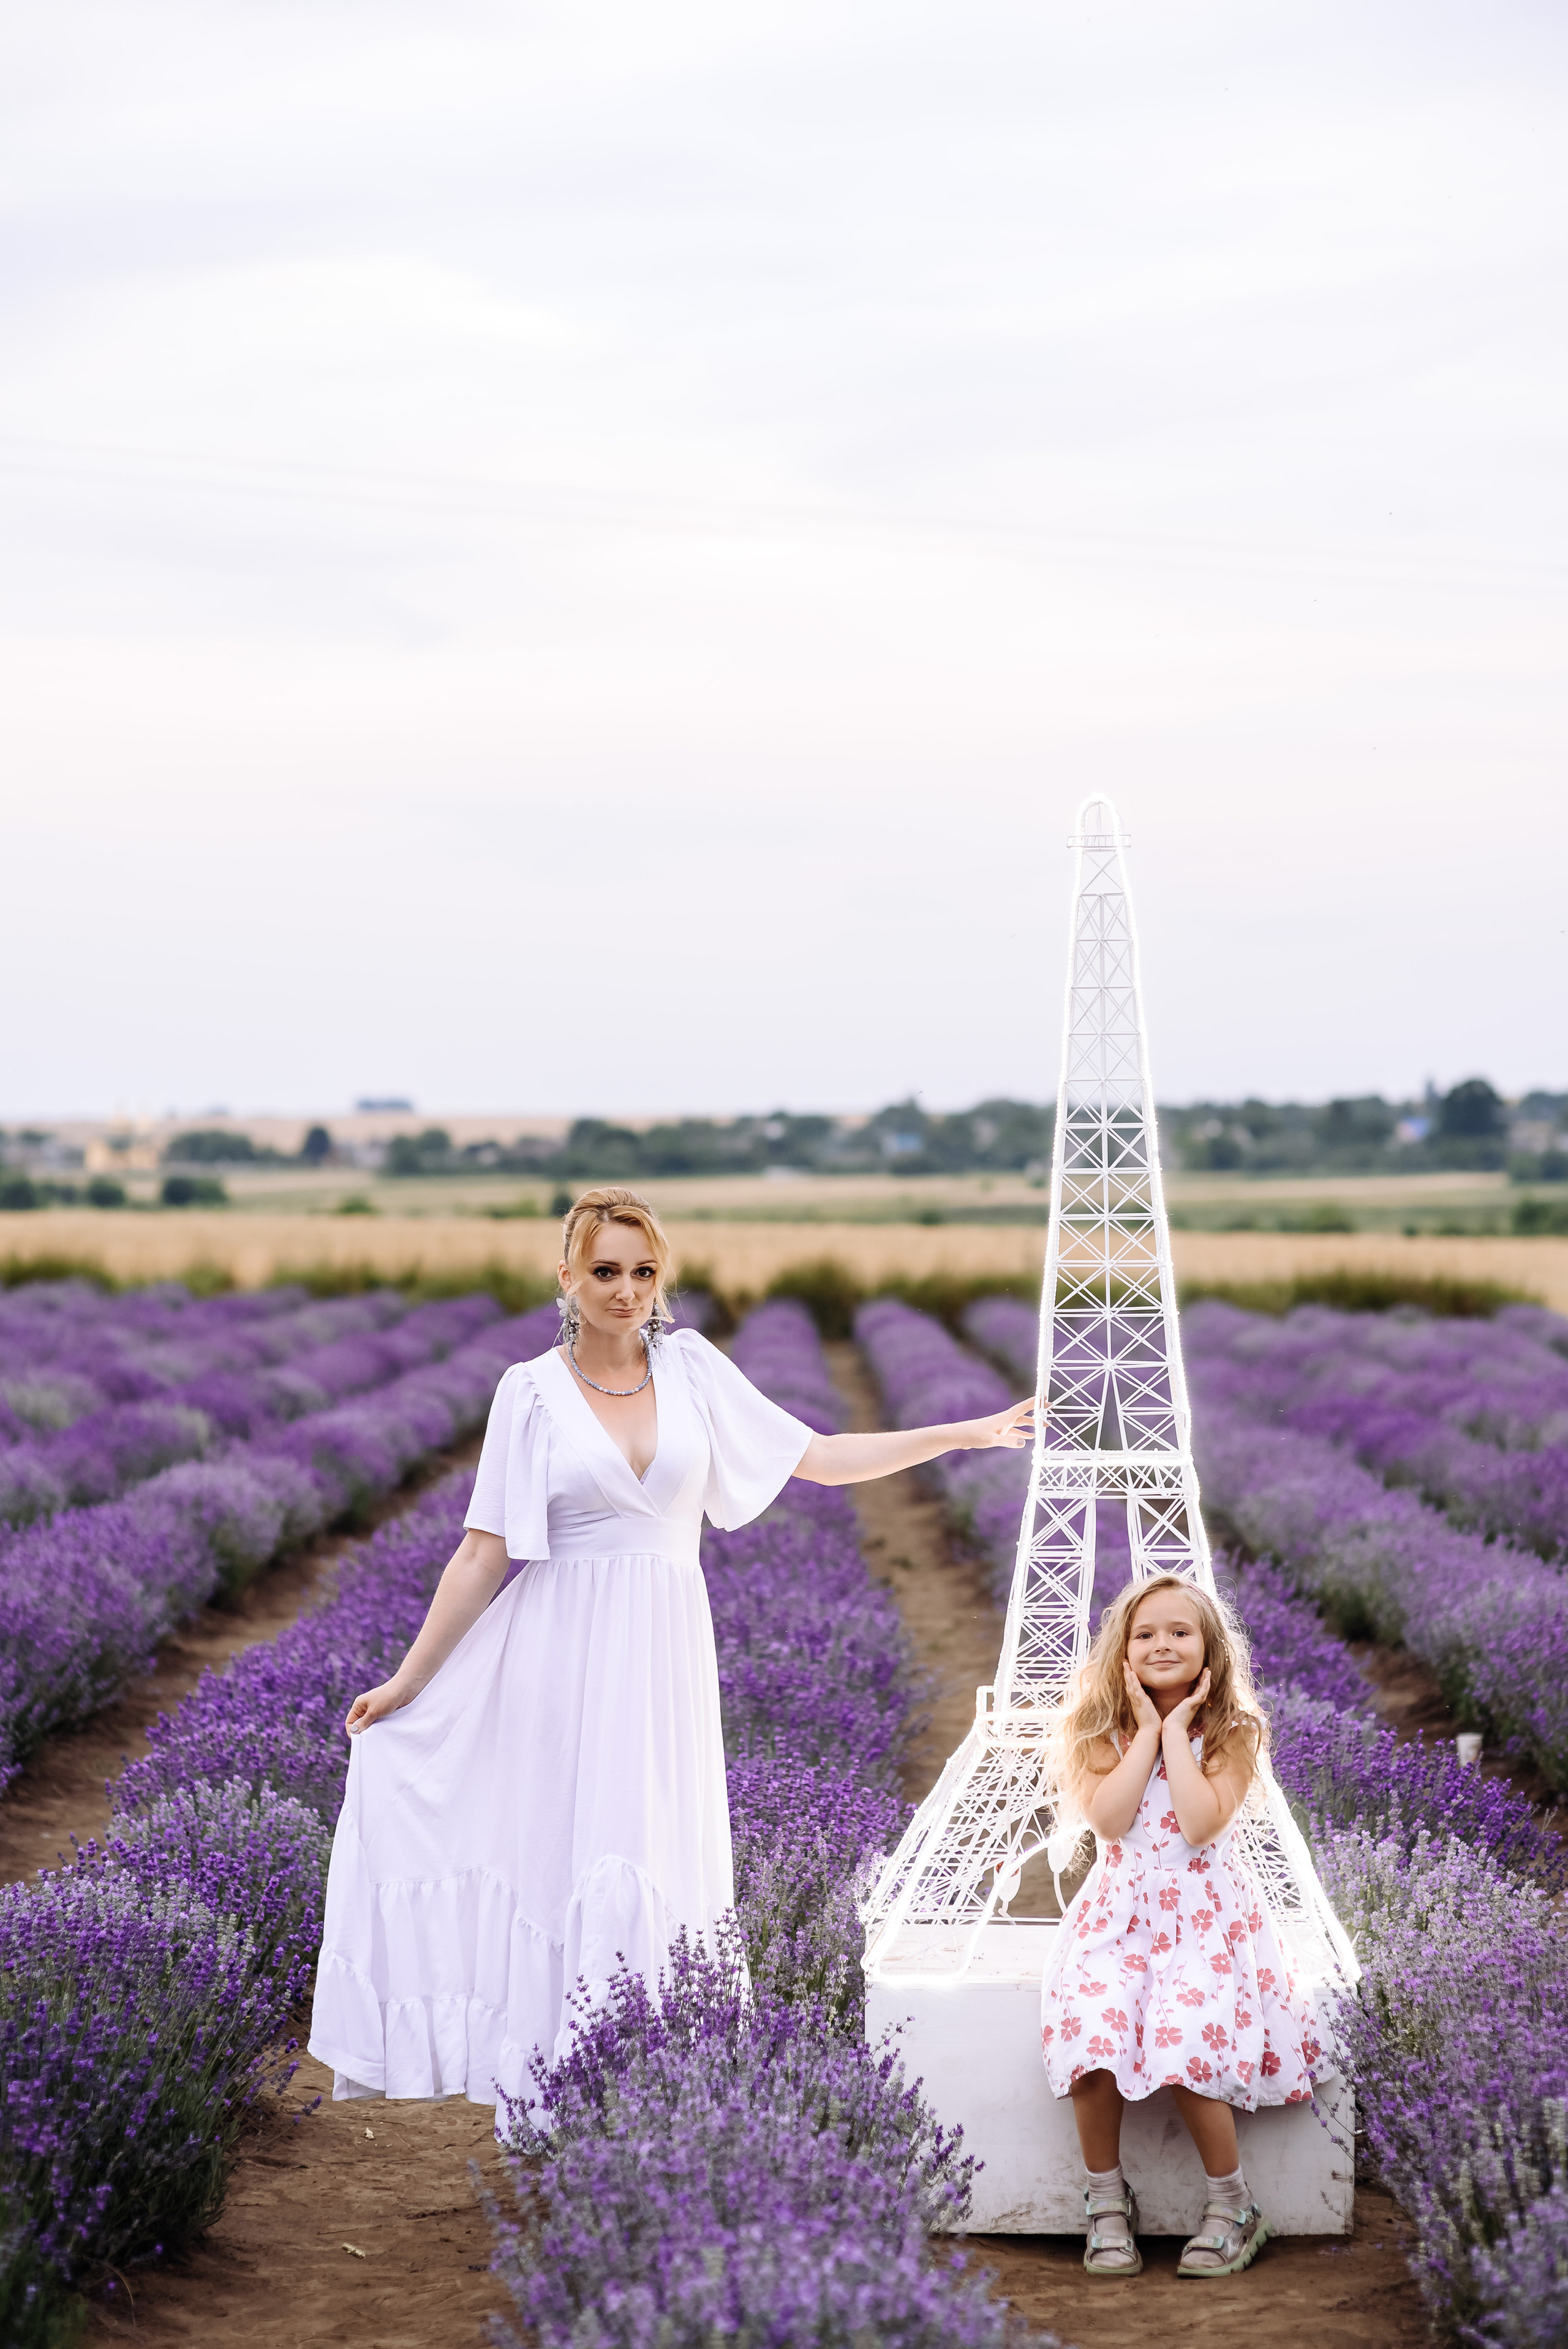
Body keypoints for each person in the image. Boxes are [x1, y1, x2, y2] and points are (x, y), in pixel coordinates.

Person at [307, 1184, 1033, 2119]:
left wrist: (965, 1431)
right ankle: (554, 2094)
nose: (625, 1289)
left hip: (663, 1651)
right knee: (569, 1853)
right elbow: (483, 1548)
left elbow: (815, 1455)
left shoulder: (691, 1367)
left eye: (643, 1271)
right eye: (605, 1270)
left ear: (664, 1279)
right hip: (557, 1653)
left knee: (656, 1846)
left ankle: (647, 2090)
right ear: (566, 1277)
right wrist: (411, 1679)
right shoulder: (526, 1391)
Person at [1039, 1574, 1319, 2280]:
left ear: (1209, 1651)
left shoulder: (1233, 1731)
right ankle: (1106, 2202)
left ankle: (1232, 2205)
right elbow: (1108, 1821)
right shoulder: (1098, 1726)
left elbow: (1198, 1825)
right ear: (1122, 1652)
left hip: (1204, 1921)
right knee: (1095, 2032)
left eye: (1179, 1632)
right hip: (1118, 1921)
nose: (1161, 1643)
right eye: (1144, 1634)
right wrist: (1143, 1732)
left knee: (1187, 2038)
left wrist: (1173, 1732)